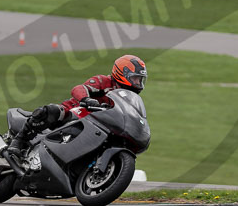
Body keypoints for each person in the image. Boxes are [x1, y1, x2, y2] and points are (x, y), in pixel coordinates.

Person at [8, 54, 147, 159]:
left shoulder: (127, 97)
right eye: (135, 78)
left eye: (140, 80)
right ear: (123, 74)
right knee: (52, 111)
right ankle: (19, 140)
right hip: (76, 112)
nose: (138, 83)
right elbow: (79, 88)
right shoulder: (104, 81)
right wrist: (86, 99)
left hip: (98, 124)